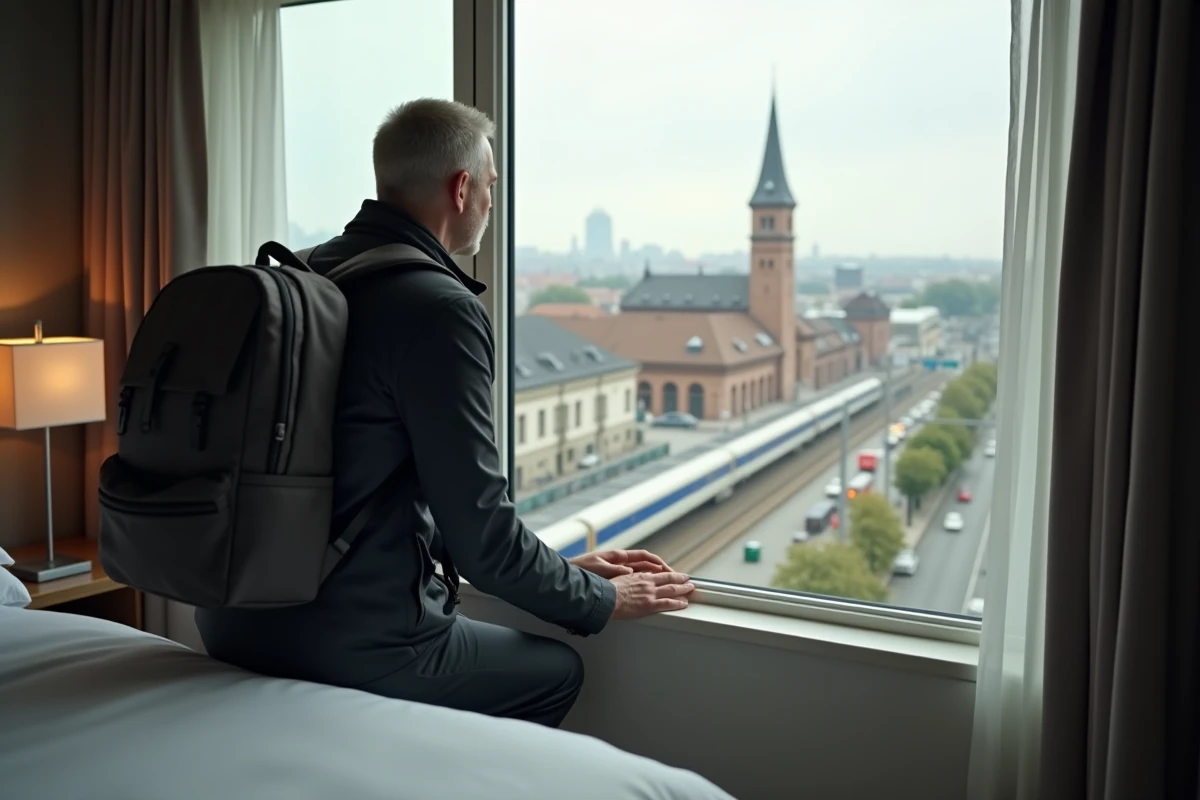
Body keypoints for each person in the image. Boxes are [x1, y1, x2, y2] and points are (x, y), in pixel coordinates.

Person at [195, 99, 694, 728]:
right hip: (354, 639)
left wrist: (561, 570)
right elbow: (481, 539)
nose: (491, 202)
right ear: (461, 189)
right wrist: (599, 598)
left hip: (229, 614)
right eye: (491, 186)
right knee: (556, 672)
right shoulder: (439, 309)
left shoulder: (302, 275)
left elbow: (357, 476)